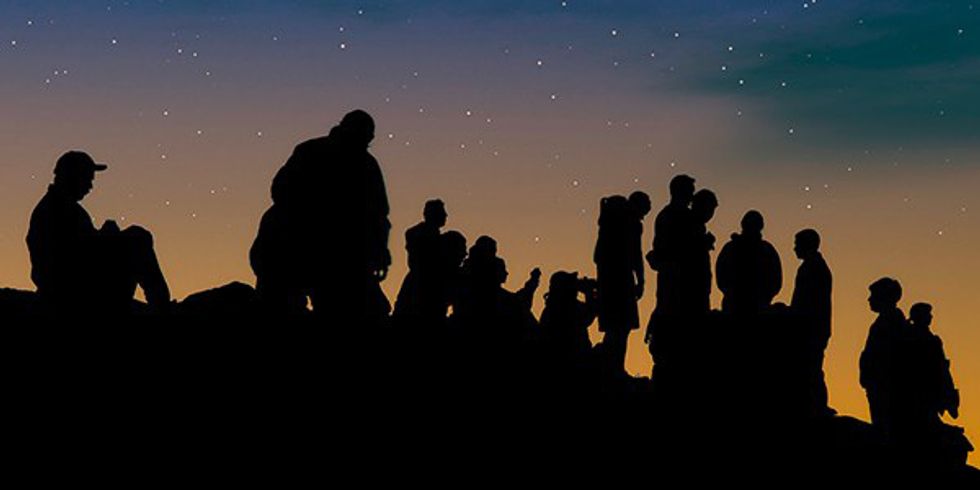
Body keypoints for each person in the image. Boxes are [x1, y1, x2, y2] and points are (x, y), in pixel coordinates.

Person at [250, 110, 390, 320]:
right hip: (293, 247)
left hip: (335, 253)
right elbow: (281, 190)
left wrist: (379, 251)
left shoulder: (364, 164)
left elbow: (378, 214)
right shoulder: (313, 152)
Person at [26, 151, 170, 316]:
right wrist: (106, 237)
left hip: (72, 285)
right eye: (87, 179)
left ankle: (160, 305)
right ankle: (162, 307)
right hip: (71, 291)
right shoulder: (55, 209)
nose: (90, 186)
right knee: (137, 238)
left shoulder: (62, 207)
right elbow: (74, 255)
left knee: (135, 238)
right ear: (72, 177)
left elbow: (83, 246)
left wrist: (104, 237)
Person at [594, 192, 649, 375]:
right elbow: (636, 254)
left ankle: (611, 368)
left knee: (614, 329)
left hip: (608, 280)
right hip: (621, 281)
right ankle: (614, 369)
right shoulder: (632, 223)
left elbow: (597, 256)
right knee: (621, 328)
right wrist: (641, 280)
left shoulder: (611, 221)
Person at [645, 175, 695, 364]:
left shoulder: (667, 216)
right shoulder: (678, 217)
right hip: (676, 281)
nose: (691, 196)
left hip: (673, 280)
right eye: (689, 192)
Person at [790, 229, 833, 416]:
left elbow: (806, 301)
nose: (794, 248)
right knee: (811, 367)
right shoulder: (814, 266)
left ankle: (817, 405)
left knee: (810, 367)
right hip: (814, 327)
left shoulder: (813, 268)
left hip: (811, 328)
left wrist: (794, 315)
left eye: (797, 244)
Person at [859, 277, 906, 434]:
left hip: (885, 387)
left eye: (873, 295)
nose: (869, 299)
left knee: (886, 428)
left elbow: (885, 356)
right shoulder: (885, 321)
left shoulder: (891, 323)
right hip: (877, 385)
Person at [393, 200, 448, 328]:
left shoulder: (420, 233)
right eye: (442, 212)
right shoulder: (420, 234)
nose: (446, 215)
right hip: (422, 285)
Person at [715, 210, 782, 316]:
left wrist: (765, 297)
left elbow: (776, 279)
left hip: (756, 305)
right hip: (737, 304)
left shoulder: (766, 249)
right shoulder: (766, 249)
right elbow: (721, 275)